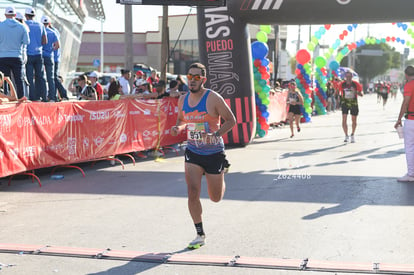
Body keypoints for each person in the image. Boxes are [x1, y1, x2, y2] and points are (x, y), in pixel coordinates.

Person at [171, 62, 236, 249]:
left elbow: (232, 120)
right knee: (192, 192)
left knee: (215, 197)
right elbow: (182, 120)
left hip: (214, 152)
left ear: (203, 79)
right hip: (193, 151)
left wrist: (214, 135)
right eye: (189, 77)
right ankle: (200, 234)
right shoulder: (182, 100)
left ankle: (222, 173)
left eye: (196, 77)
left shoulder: (213, 98)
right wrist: (178, 128)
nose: (192, 80)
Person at [0, 7, 30, 99]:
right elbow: (26, 42)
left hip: (3, 57)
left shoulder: (0, 26)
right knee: (18, 79)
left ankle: (5, 97)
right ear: (15, 15)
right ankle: (21, 98)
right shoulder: (22, 27)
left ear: (5, 15)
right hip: (17, 56)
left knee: (4, 79)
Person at [395, 66, 414, 182]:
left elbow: (406, 102)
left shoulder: (409, 85)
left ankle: (411, 174)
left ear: (406, 75)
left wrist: (399, 119)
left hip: (411, 119)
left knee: (410, 147)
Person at [25, 7, 48, 101]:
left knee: (29, 77)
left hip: (29, 54)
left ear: (26, 15)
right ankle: (44, 96)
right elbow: (45, 41)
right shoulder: (40, 25)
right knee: (41, 77)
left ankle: (32, 97)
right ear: (34, 15)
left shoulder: (24, 24)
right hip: (39, 54)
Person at [339, 71, 363, 143]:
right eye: (347, 77)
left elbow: (361, 94)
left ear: (352, 77)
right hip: (345, 103)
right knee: (344, 119)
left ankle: (352, 134)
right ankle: (346, 135)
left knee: (354, 120)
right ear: (345, 77)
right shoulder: (342, 84)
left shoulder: (356, 84)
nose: (348, 78)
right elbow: (339, 92)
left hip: (353, 103)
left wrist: (355, 91)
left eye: (350, 77)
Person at [41, 16, 59, 102]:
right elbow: (57, 46)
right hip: (50, 56)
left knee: (41, 76)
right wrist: (51, 49)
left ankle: (43, 96)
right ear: (49, 23)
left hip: (41, 56)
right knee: (50, 77)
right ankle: (52, 96)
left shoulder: (40, 32)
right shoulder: (53, 32)